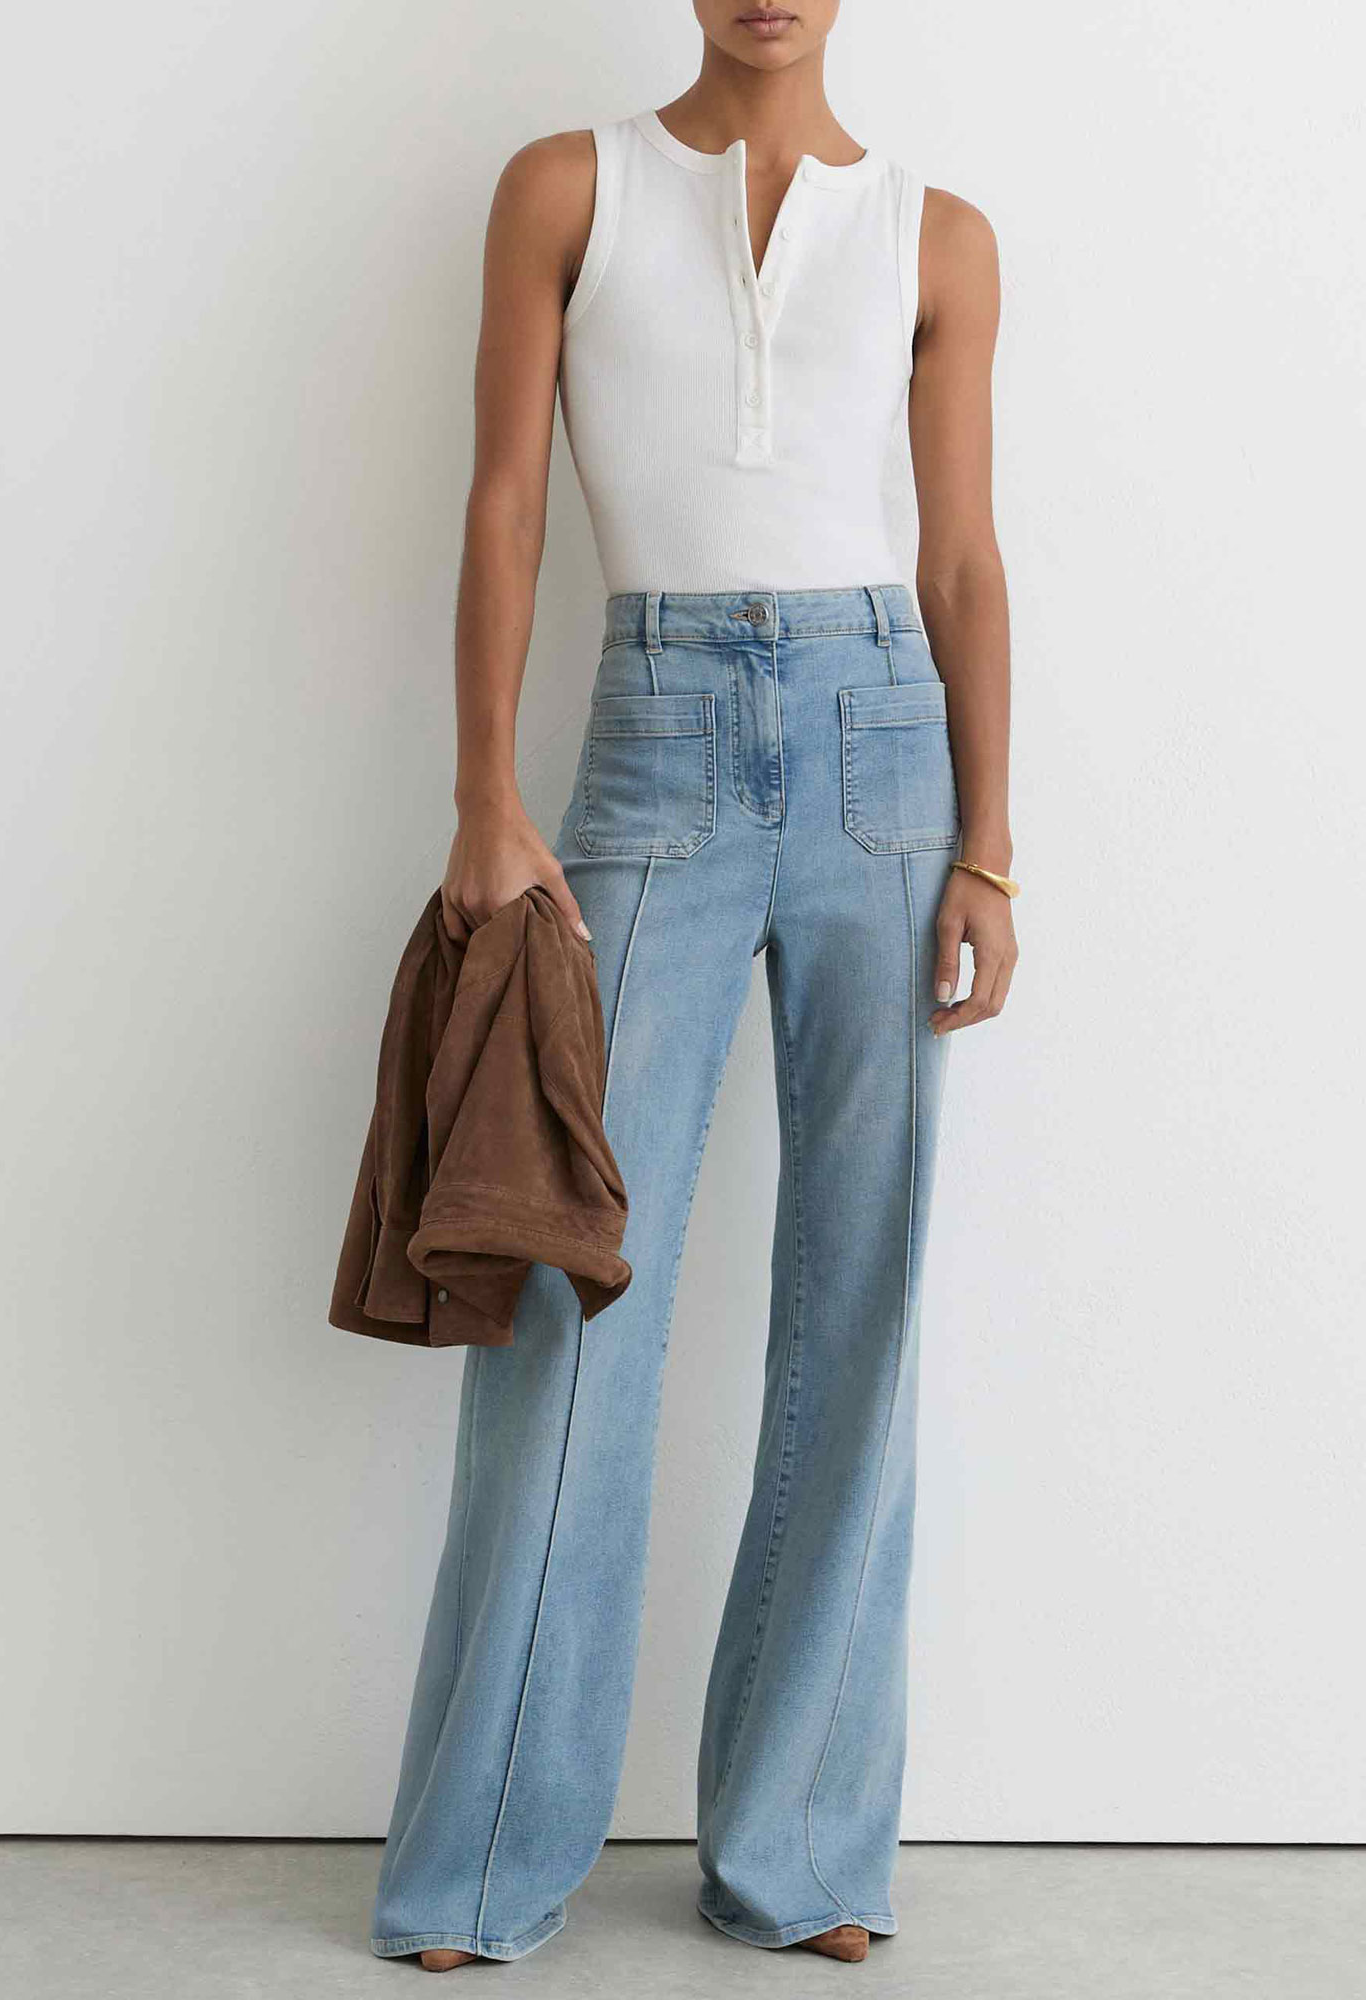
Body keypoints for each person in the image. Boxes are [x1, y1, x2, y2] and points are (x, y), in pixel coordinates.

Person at [369, 0, 1015, 1969]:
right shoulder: (568, 188)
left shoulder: (935, 231)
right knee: (569, 1284)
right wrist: (485, 798)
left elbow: (962, 560)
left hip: (881, 753)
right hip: (650, 743)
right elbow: (504, 500)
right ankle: (481, 1860)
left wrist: (988, 842)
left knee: (857, 1297)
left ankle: (797, 1849)